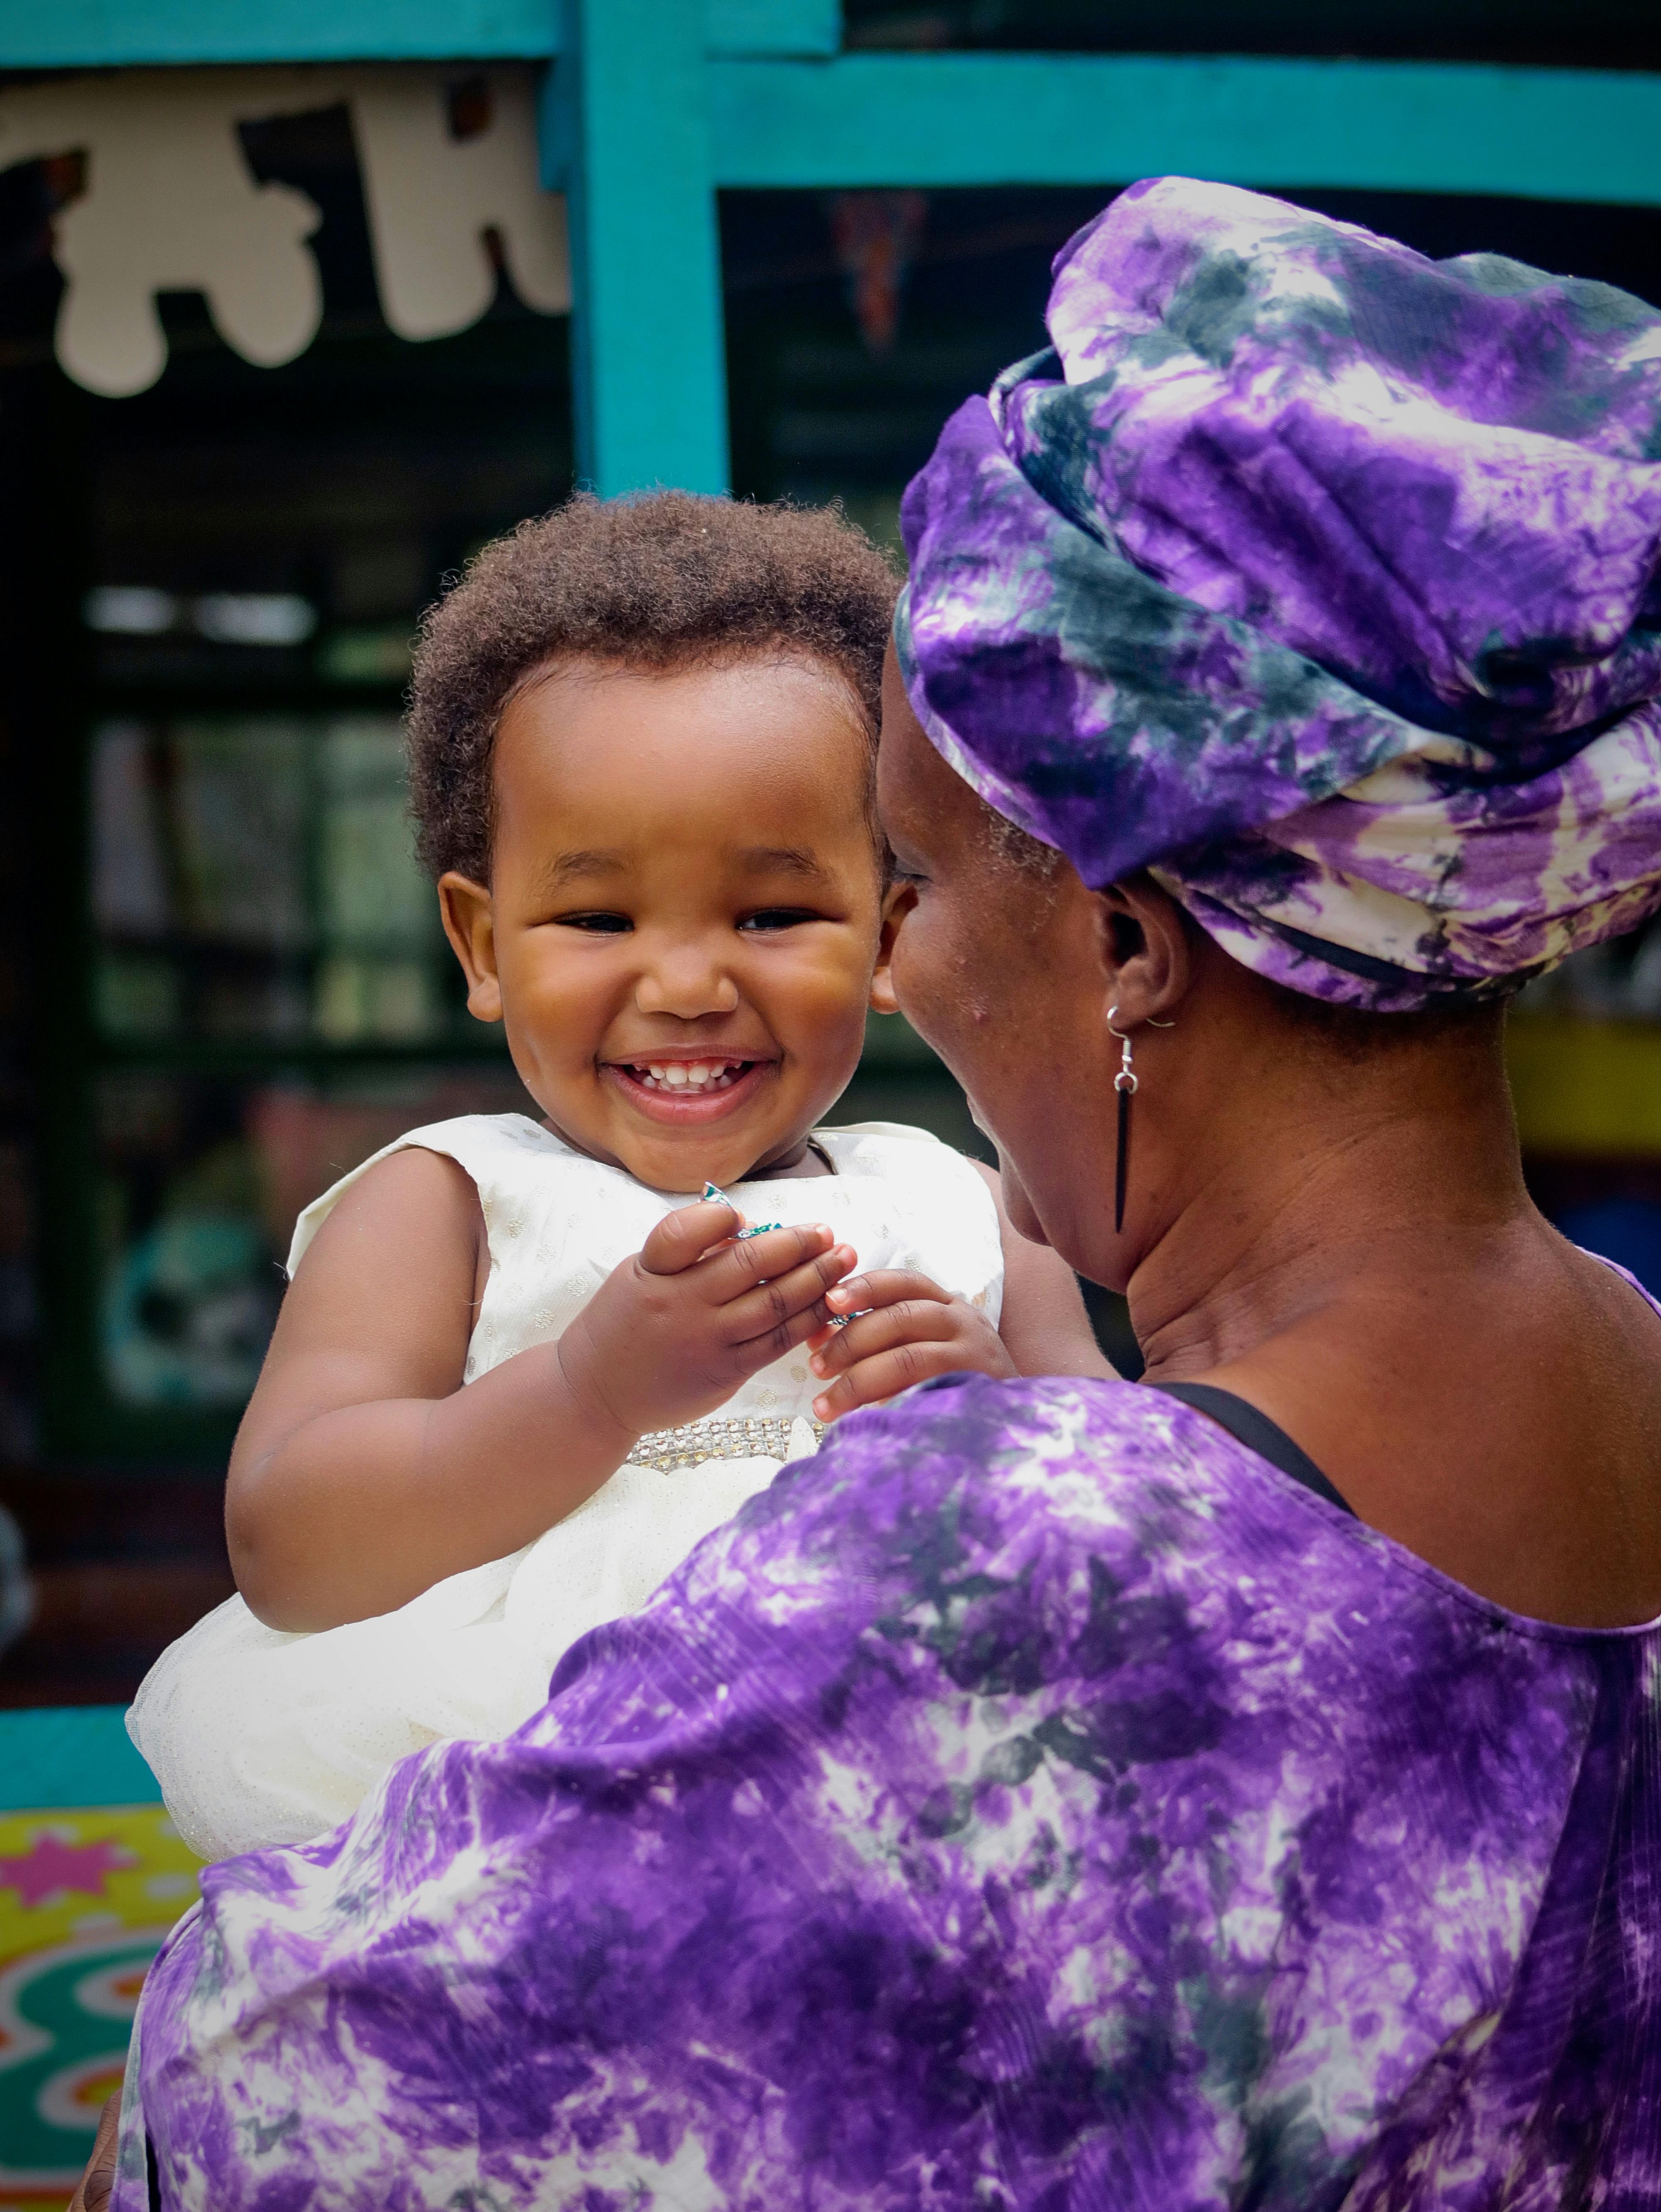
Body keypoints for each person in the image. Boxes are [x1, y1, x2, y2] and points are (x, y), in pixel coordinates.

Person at [103, 179, 1659, 2209]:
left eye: (893, 884)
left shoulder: (1002, 1559)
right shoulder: (1629, 1385)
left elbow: (277, 2106)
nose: (893, 968)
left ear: (1122, 941)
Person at [126, 492, 1107, 1862]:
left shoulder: (962, 1205)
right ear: (481, 945)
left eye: (772, 914)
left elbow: (1153, 1507)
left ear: (888, 934)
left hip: (901, 1833)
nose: (691, 983)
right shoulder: (449, 1202)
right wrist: (591, 1392)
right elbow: (291, 1548)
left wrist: (1001, 1423)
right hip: (532, 1840)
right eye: (597, 918)